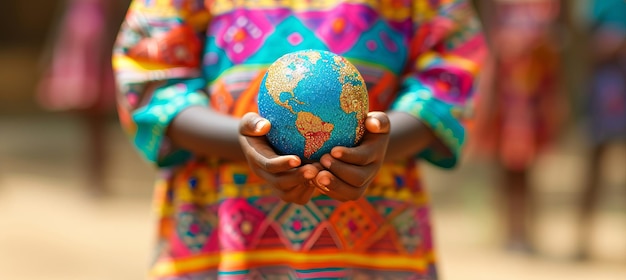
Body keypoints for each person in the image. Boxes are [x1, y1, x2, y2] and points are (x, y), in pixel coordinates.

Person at [113, 0, 486, 278]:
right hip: (222, 238)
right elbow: (151, 81)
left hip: (373, 245)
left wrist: (380, 142)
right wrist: (243, 142)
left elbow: (452, 74)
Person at [470, 0, 565, 253]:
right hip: (506, 91)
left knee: (526, 164)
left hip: (533, 92)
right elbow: (489, 39)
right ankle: (511, 230)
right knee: (506, 164)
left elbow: (557, 38)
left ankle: (525, 231)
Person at [578, 0, 626, 260]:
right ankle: (583, 238)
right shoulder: (597, 4)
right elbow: (587, 42)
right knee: (596, 157)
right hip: (605, 82)